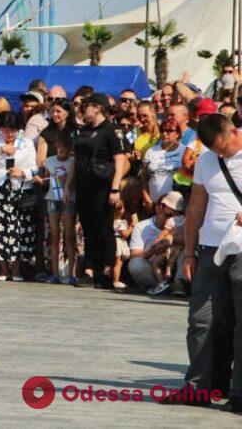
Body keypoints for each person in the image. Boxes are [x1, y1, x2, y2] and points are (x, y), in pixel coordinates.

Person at [168, 113, 242, 412]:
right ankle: (198, 386)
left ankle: (238, 394)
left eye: (222, 147)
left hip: (241, 249)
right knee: (201, 319)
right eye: (213, 149)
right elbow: (196, 207)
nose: (219, 153)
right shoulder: (206, 160)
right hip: (211, 248)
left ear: (234, 131)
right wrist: (188, 253)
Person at [73, 94, 129, 290]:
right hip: (83, 186)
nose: (83, 110)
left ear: (97, 108)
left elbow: (120, 161)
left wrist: (115, 188)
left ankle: (105, 271)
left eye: (86, 107)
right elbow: (76, 160)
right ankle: (89, 270)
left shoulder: (112, 130)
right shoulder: (84, 131)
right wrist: (68, 186)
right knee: (88, 229)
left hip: (103, 186)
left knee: (104, 229)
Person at [0, 111, 37, 282]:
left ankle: (17, 268)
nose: (9, 134)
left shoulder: (26, 143)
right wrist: (0, 149)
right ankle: (3, 268)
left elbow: (35, 168)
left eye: (13, 130)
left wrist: (23, 172)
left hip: (19, 189)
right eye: (5, 130)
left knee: (19, 228)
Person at [36, 131, 76, 285]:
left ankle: (72, 273)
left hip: (68, 199)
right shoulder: (50, 161)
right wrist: (40, 180)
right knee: (54, 236)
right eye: (59, 149)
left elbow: (74, 181)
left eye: (64, 150)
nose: (62, 152)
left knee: (69, 236)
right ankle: (54, 273)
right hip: (52, 198)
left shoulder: (72, 161)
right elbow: (46, 181)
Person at [128, 191, 185, 293]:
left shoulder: (181, 224)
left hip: (175, 266)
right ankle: (162, 285)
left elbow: (192, 239)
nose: (172, 219)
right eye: (168, 214)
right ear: (158, 208)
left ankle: (178, 284)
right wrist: (152, 251)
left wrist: (170, 238)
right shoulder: (141, 227)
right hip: (153, 268)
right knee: (135, 264)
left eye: (177, 215)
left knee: (188, 251)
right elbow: (133, 254)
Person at [141, 119, 186, 210]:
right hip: (154, 204)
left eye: (169, 131)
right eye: (162, 130)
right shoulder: (151, 151)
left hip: (177, 205)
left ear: (177, 133)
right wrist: (147, 198)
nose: (164, 133)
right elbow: (143, 178)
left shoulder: (185, 151)